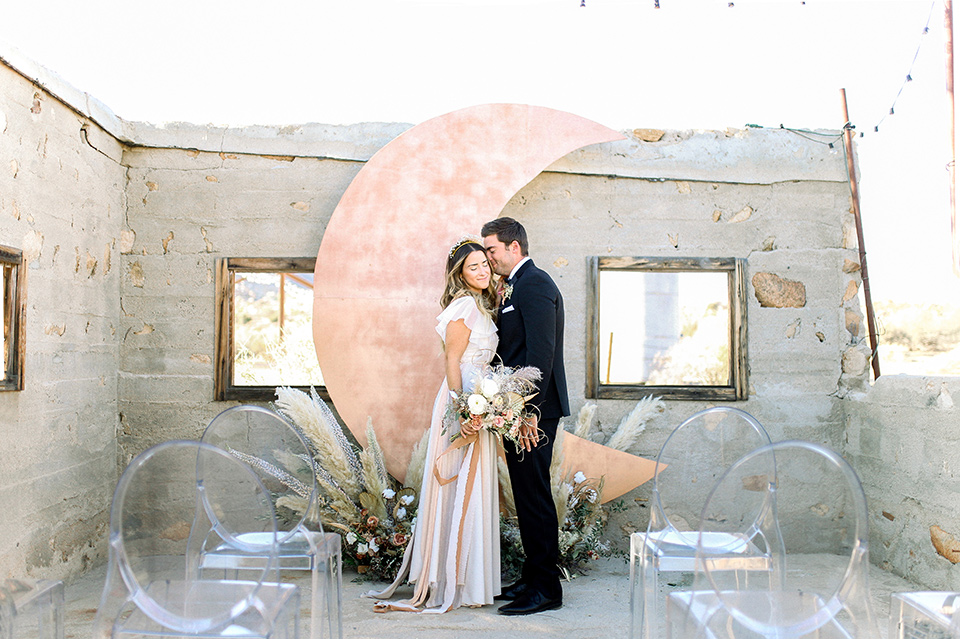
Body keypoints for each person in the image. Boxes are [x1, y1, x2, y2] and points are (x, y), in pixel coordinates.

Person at [368, 237, 502, 613]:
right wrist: (462, 409)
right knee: (459, 480)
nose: (481, 271)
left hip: (483, 398)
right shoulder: (463, 306)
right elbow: (453, 361)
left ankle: (473, 578)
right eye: (473, 266)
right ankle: (453, 578)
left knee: (474, 481)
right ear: (460, 274)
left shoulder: (483, 305)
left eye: (484, 265)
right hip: (463, 399)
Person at [481, 216, 569, 616]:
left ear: (513, 247)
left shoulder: (535, 284)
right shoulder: (516, 285)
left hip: (534, 413)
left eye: (492, 249)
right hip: (517, 411)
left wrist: (530, 410)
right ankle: (533, 576)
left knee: (534, 497)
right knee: (526, 495)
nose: (488, 257)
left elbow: (541, 356)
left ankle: (547, 587)